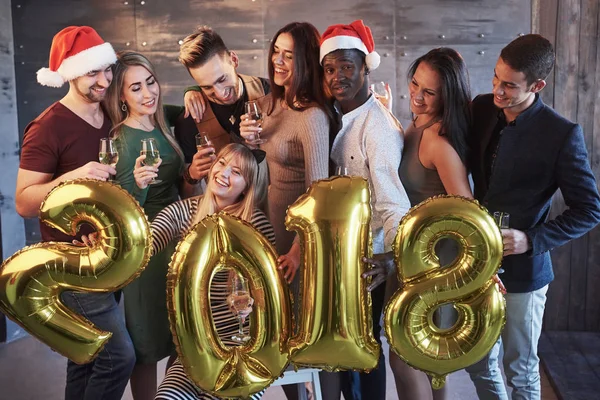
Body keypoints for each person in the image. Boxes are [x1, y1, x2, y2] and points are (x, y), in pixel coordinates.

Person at [465, 34, 600, 400]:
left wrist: (531, 239)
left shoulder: (562, 134)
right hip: (474, 263)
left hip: (523, 274)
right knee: (477, 360)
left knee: (520, 371)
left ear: (537, 85)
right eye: (496, 78)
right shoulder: (480, 108)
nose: (497, 90)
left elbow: (589, 210)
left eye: (509, 85)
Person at [15, 26, 135, 399]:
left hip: (105, 261)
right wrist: (71, 177)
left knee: (85, 358)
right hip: (71, 267)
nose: (104, 80)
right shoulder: (48, 127)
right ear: (70, 73)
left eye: (106, 70)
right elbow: (23, 201)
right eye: (92, 72)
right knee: (119, 357)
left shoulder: (108, 112)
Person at [239, 21, 332, 400]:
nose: (278, 60)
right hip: (266, 231)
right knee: (276, 332)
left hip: (294, 243)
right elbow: (225, 82)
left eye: (288, 55)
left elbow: (319, 192)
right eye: (276, 51)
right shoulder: (268, 103)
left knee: (298, 336)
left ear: (306, 60)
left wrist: (297, 249)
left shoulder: (312, 116)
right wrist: (246, 140)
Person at [319, 20, 411, 400]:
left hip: (368, 259)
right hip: (338, 253)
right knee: (340, 348)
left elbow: (392, 203)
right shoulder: (333, 113)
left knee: (363, 350)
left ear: (365, 68)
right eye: (330, 69)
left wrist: (392, 259)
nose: (338, 76)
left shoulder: (378, 128)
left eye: (346, 67)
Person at [144, 143, 274, 400]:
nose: (223, 173)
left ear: (246, 186)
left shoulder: (256, 224)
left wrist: (257, 305)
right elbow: (145, 244)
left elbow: (272, 292)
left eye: (236, 172)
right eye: (221, 163)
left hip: (246, 352)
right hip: (197, 348)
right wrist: (111, 242)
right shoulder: (184, 211)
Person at [381, 47, 475, 400]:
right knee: (427, 360)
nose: (417, 97)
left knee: (406, 358)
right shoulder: (418, 124)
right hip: (410, 256)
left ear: (447, 96)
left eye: (429, 92)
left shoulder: (438, 140)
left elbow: (469, 211)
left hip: (433, 264)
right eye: (415, 84)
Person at [104, 50, 186, 400]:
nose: (147, 93)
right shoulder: (119, 140)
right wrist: (136, 185)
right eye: (135, 88)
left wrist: (194, 94)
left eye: (150, 82)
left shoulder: (165, 120)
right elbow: (115, 210)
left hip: (178, 238)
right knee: (146, 342)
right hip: (146, 244)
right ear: (121, 97)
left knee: (178, 339)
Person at [176, 26, 270, 199]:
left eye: (222, 79)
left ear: (233, 60)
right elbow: (189, 198)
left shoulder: (269, 92)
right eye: (206, 87)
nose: (219, 93)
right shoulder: (189, 120)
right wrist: (192, 176)